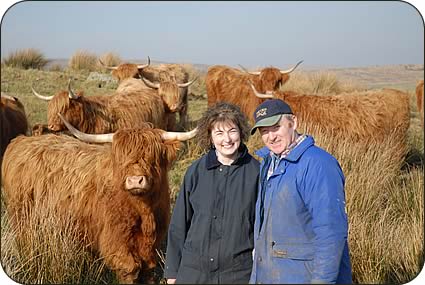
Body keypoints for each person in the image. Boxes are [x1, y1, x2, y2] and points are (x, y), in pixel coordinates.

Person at [249, 99, 352, 284]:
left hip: (302, 276)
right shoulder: (268, 162)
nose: (271, 137)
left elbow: (331, 232)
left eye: (276, 127)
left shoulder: (318, 164)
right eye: (264, 131)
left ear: (293, 123)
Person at [164, 102, 260, 284]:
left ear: (241, 132)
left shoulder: (256, 172)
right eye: (219, 133)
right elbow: (179, 224)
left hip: (238, 273)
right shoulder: (196, 171)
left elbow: (261, 227)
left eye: (232, 131)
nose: (227, 139)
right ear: (210, 137)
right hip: (194, 272)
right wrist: (172, 271)